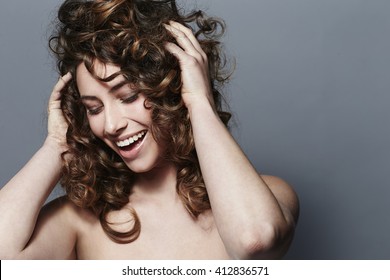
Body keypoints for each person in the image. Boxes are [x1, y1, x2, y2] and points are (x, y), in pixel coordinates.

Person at [0, 0, 299, 259]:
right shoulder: (80, 220)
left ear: (171, 89)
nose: (112, 125)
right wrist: (56, 145)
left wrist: (198, 102)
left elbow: (255, 240)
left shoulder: (270, 193)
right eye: (94, 108)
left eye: (128, 97)